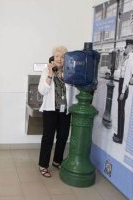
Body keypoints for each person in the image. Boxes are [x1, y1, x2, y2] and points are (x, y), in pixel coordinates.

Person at [38, 46, 78, 178]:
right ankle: (43, 165)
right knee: (48, 138)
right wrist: (50, 75)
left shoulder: (69, 72)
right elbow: (42, 91)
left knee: (62, 137)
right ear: (52, 58)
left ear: (66, 59)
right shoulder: (46, 71)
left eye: (62, 56)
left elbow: (75, 90)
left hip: (64, 110)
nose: (59, 59)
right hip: (50, 110)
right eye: (57, 56)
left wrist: (63, 76)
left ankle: (57, 161)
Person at [113, 39, 133, 144]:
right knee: (119, 111)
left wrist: (122, 92)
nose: (126, 49)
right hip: (121, 84)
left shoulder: (130, 59)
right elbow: (119, 69)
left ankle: (120, 138)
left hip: (124, 87)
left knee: (121, 113)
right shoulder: (125, 58)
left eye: (128, 47)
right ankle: (118, 134)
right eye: (126, 47)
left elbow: (127, 77)